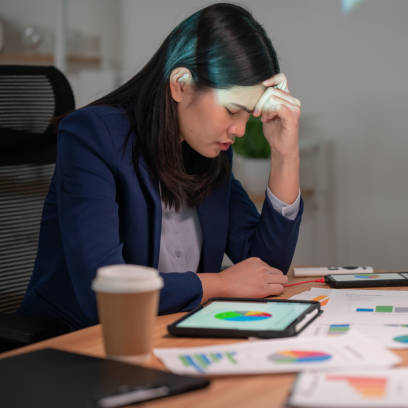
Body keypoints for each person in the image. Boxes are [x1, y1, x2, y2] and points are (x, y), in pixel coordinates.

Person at [20, 3, 303, 331]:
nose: (239, 131)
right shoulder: (93, 137)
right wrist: (217, 285)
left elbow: (265, 272)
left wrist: (286, 155)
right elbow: (104, 292)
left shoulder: (210, 152)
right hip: (75, 345)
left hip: (167, 335)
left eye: (248, 114)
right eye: (232, 110)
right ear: (180, 85)